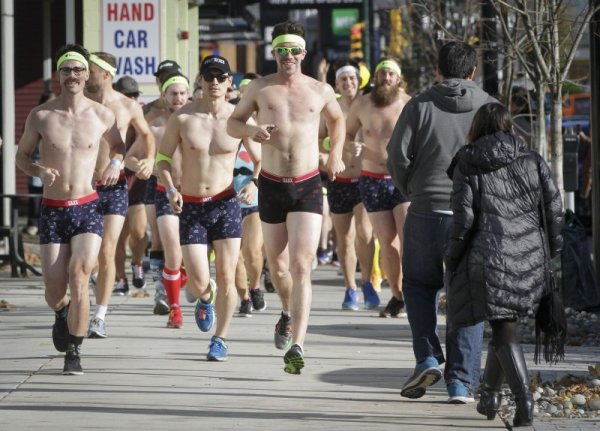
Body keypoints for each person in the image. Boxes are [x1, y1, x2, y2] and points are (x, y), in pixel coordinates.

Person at [227, 20, 346, 374]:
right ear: (273, 52)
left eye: (294, 50)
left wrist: (335, 152)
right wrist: (251, 129)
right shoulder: (262, 89)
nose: (288, 56)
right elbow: (232, 123)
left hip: (307, 183)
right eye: (282, 49)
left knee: (300, 265)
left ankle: (298, 344)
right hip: (271, 184)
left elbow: (338, 121)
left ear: (303, 53)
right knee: (277, 267)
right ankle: (285, 312)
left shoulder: (320, 90)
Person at [386, 41, 496, 403]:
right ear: (472, 72)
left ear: (438, 70)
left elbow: (396, 156)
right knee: (468, 296)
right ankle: (461, 383)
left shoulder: (419, 105)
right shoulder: (489, 107)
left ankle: (428, 357)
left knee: (418, 285)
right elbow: (502, 159)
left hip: (426, 211)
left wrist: (413, 190)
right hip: (472, 216)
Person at [445, 103, 563, 427]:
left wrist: (452, 257)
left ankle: (524, 403)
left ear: (476, 128)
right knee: (505, 326)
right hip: (530, 256)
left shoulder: (467, 163)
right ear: (509, 126)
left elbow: (464, 219)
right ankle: (490, 396)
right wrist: (553, 253)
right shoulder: (533, 159)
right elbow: (554, 209)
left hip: (489, 257)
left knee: (503, 329)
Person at [15, 44, 125, 374]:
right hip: (53, 207)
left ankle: (74, 350)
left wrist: (117, 162)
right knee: (53, 288)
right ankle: (62, 311)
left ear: (88, 74)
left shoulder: (102, 114)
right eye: (67, 70)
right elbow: (21, 157)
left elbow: (119, 144)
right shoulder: (42, 115)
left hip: (88, 207)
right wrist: (38, 170)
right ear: (59, 75)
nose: (73, 75)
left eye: (78, 69)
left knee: (80, 276)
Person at [157, 55, 260, 360]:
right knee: (201, 281)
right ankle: (206, 296)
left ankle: (221, 338)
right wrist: (171, 189)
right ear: (199, 81)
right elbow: (161, 159)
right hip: (191, 206)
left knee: (228, 275)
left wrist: (254, 182)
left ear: (230, 82)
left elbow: (260, 157)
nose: (214, 82)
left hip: (226, 202)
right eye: (209, 76)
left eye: (221, 77)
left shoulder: (238, 120)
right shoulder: (183, 118)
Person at [84, 51, 155, 338]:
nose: (84, 75)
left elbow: (147, 135)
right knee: (84, 257)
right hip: (82, 187)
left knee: (107, 249)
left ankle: (99, 315)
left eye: (89, 70)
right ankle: (86, 289)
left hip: (113, 186)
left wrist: (148, 159)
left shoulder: (127, 105)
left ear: (105, 74)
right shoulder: (80, 104)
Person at [345, 57, 411, 317]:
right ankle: (397, 295)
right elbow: (347, 135)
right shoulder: (362, 103)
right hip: (372, 179)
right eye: (381, 73)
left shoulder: (409, 103)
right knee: (387, 242)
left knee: (408, 241)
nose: (385, 78)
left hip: (402, 179)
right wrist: (353, 147)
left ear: (398, 79)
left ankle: (412, 292)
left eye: (390, 74)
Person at [128, 71, 191, 324]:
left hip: (196, 194)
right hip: (166, 192)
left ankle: (180, 281)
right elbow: (129, 157)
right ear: (163, 95)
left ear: (188, 94)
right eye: (173, 93)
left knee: (191, 258)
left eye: (182, 93)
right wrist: (147, 166)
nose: (178, 98)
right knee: (172, 251)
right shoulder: (154, 126)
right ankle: (174, 307)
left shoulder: (197, 121)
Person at [322, 61, 375, 310]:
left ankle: (367, 282)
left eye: (352, 79)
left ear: (359, 81)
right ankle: (350, 288)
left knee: (364, 233)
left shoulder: (368, 105)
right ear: (337, 84)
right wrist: (330, 151)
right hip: (339, 180)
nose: (348, 83)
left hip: (365, 177)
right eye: (343, 80)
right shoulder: (332, 109)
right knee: (344, 238)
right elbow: (319, 139)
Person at [113, 75, 149, 306]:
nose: (132, 99)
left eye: (135, 95)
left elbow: (149, 141)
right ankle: (120, 278)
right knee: (116, 237)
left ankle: (137, 263)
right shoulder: (107, 113)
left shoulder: (140, 114)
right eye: (128, 95)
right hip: (113, 181)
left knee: (137, 232)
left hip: (136, 182)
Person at [24, 91, 57, 236]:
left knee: (49, 196)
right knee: (36, 196)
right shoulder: (36, 118)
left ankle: (47, 223)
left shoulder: (59, 120)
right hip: (38, 164)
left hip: (54, 167)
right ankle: (32, 223)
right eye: (49, 102)